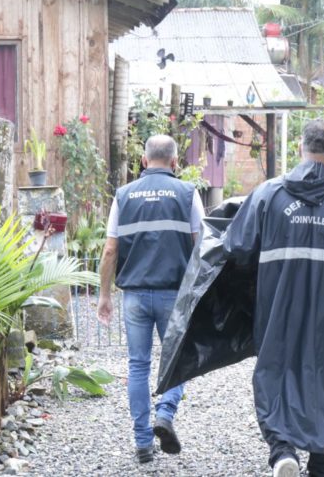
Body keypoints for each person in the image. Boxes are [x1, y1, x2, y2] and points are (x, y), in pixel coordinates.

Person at [224, 120, 324, 477]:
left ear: (299, 148)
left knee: (275, 374)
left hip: (277, 309)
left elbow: (237, 249)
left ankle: (282, 453)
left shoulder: (267, 195)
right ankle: (321, 463)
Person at [97, 134, 205, 464]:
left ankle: (143, 442)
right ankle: (166, 413)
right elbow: (202, 248)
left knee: (138, 365)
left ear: (144, 161)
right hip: (175, 294)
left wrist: (104, 295)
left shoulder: (123, 196)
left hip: (135, 298)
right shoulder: (188, 194)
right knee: (180, 359)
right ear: (175, 162)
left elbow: (110, 249)